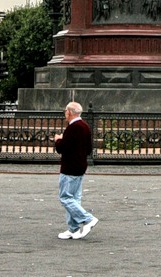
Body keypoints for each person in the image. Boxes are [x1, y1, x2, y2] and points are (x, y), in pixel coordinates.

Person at [54, 101, 98, 240]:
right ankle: (73, 229)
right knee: (74, 198)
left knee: (65, 197)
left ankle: (88, 219)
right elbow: (89, 149)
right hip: (80, 165)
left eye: (65, 111)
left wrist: (58, 140)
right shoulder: (85, 126)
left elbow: (62, 148)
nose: (65, 114)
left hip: (70, 167)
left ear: (69, 112)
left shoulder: (72, 128)